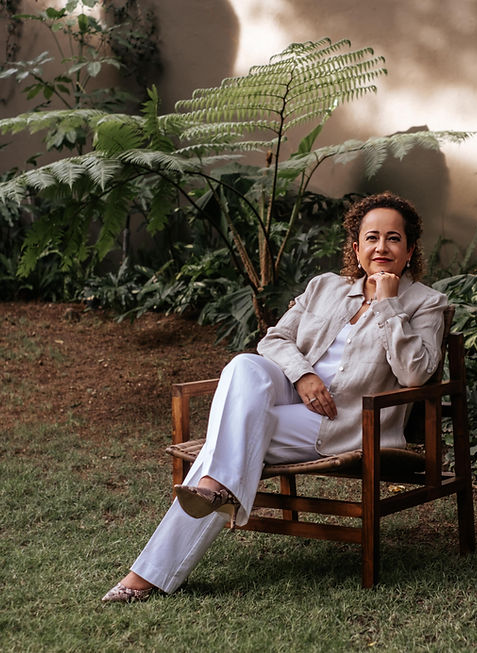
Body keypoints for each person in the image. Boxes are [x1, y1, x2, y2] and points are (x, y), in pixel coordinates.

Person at [101, 191, 448, 602]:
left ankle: (152, 568)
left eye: (394, 238)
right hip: (297, 398)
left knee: (230, 441)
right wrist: (302, 375)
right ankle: (211, 494)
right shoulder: (325, 287)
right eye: (371, 237)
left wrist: (389, 305)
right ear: (356, 248)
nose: (382, 247)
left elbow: (416, 373)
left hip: (351, 420)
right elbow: (275, 339)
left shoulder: (427, 303)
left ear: (409, 250)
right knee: (244, 366)